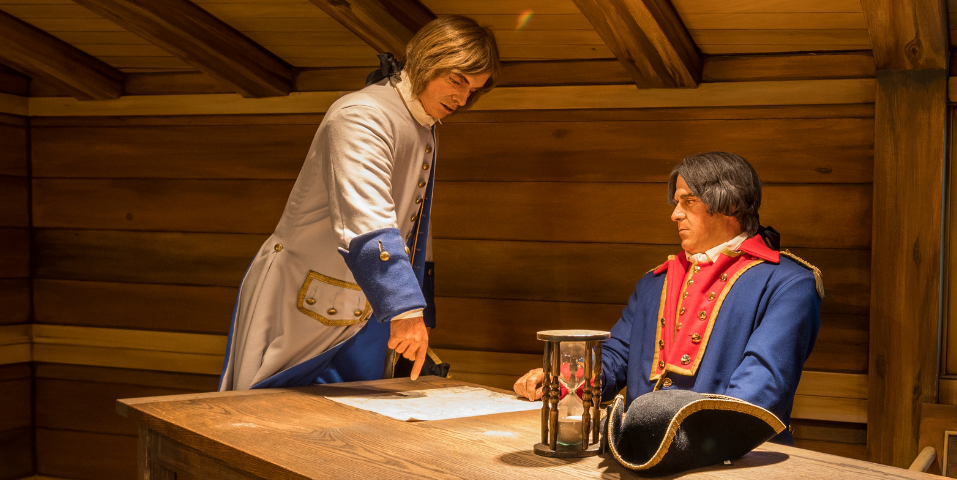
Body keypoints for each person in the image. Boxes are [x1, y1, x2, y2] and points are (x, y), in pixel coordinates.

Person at [218, 16, 497, 390]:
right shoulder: (362, 115)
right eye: (457, 81)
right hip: (306, 301)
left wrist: (416, 304)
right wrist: (406, 308)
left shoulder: (420, 122)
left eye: (473, 90)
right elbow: (368, 219)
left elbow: (415, 229)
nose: (462, 99)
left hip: (369, 304)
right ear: (428, 61)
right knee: (268, 417)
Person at [514, 152, 823, 441]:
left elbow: (758, 390)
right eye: (676, 202)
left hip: (733, 459)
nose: (675, 214)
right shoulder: (654, 282)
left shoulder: (788, 282)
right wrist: (564, 379)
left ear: (729, 204)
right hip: (640, 453)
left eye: (688, 201)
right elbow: (616, 356)